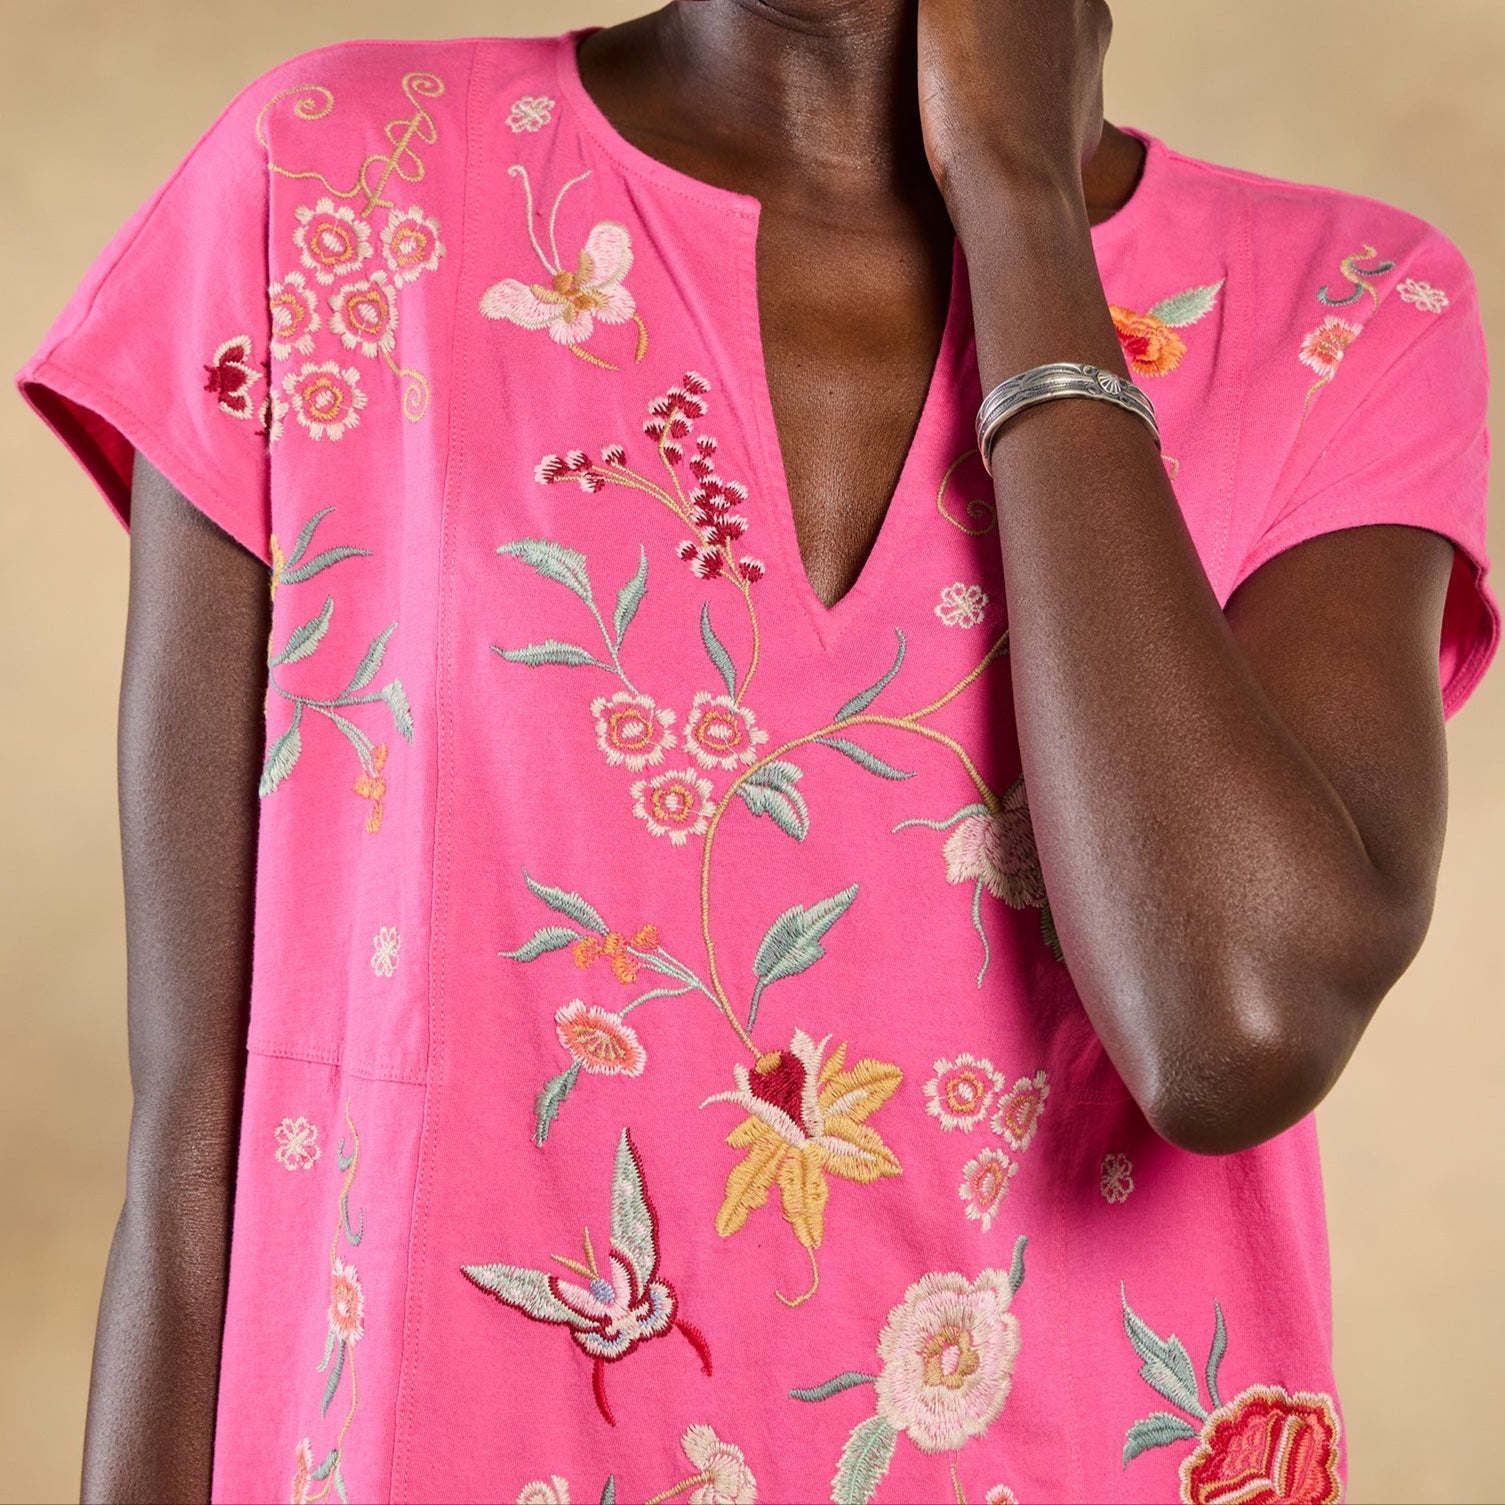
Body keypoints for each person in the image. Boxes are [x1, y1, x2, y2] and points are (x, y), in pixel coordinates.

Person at [18, 3, 1496, 1501]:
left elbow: (1229, 1029)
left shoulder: (1345, 313)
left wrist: (1021, 209)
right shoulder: (341, 182)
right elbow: (197, 1158)